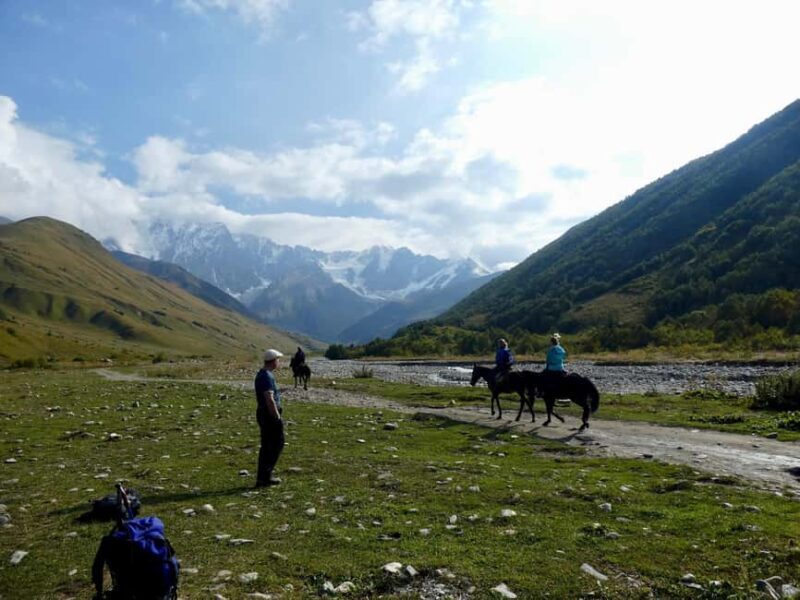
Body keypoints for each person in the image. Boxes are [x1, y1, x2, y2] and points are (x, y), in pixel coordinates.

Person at [254, 349, 285, 487]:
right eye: (278, 360)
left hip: (263, 413)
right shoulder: (267, 376)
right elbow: (269, 399)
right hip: (269, 414)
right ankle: (266, 476)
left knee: (267, 445)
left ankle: (263, 477)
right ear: (273, 361)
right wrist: (277, 417)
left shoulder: (263, 374)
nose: (279, 362)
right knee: (276, 444)